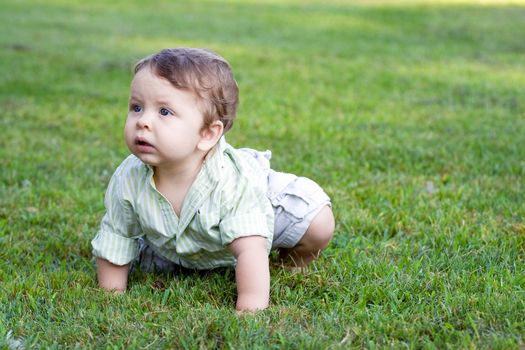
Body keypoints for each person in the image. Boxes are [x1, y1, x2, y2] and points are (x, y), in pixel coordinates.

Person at [91, 48, 335, 312]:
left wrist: (249, 310)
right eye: (137, 107)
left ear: (207, 134)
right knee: (145, 260)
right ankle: (193, 258)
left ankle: (291, 263)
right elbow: (117, 235)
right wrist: (111, 298)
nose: (143, 122)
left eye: (164, 112)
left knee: (318, 223)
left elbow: (250, 248)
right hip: (183, 241)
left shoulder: (231, 181)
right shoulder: (128, 177)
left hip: (261, 211)